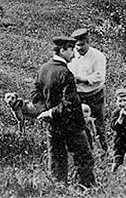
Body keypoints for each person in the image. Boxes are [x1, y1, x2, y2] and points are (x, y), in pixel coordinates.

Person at [32, 36, 96, 188]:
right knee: (84, 157)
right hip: (71, 125)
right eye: (71, 50)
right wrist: (51, 112)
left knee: (56, 158)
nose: (74, 54)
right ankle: (87, 189)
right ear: (62, 50)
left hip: (53, 125)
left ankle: (58, 189)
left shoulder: (44, 69)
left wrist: (45, 112)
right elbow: (70, 103)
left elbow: (35, 94)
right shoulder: (65, 73)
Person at [67, 28, 108, 153]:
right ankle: (87, 150)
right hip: (78, 95)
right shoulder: (72, 55)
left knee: (98, 124)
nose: (79, 48)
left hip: (94, 95)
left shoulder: (97, 56)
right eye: (76, 45)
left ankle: (103, 150)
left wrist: (82, 80)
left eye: (81, 45)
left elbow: (99, 77)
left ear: (88, 42)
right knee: (80, 124)